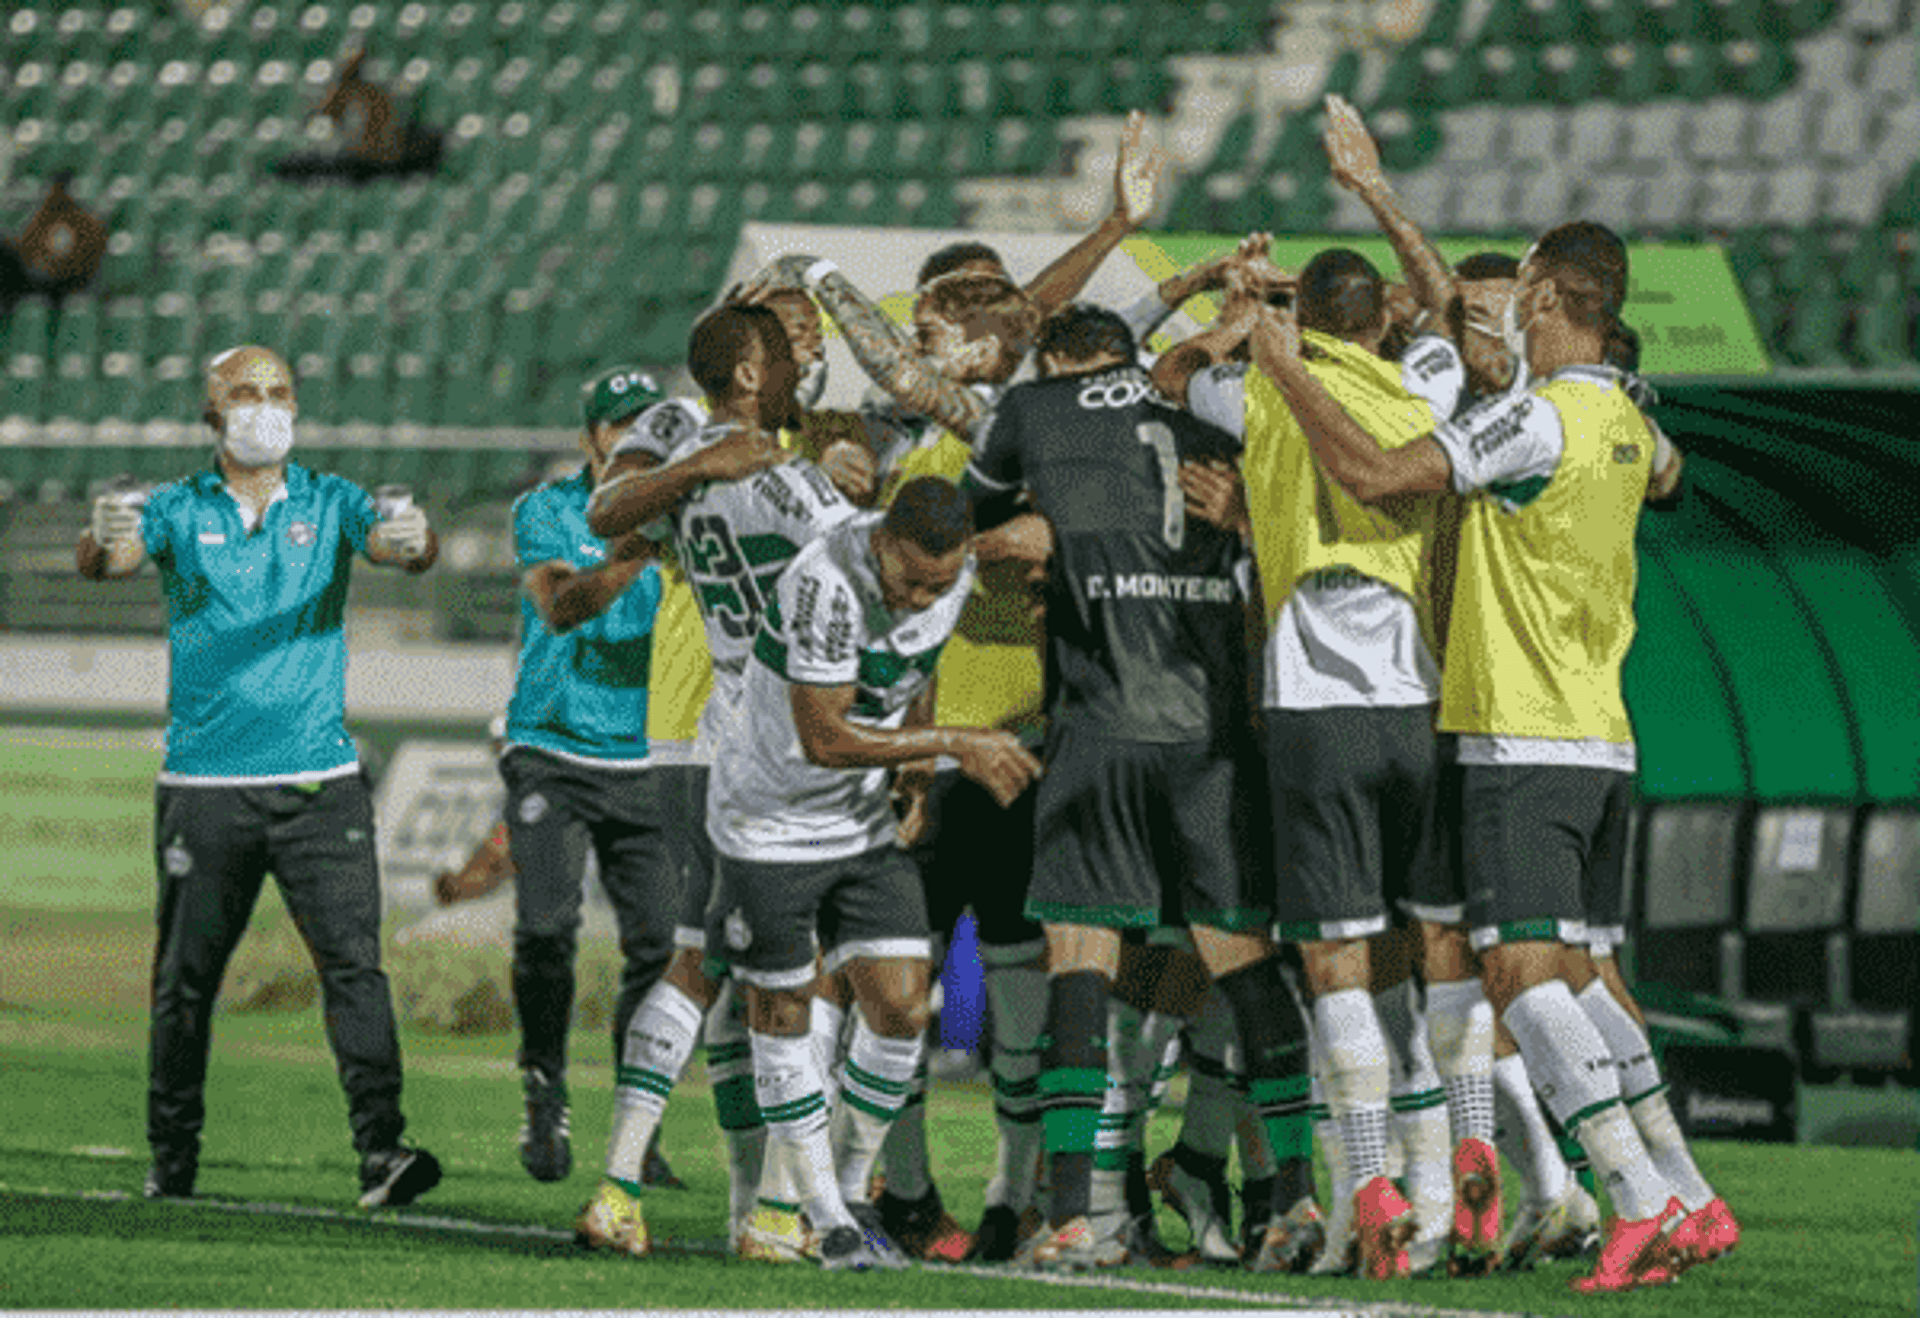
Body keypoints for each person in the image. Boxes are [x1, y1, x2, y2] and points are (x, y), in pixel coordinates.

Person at [1255, 220, 1731, 1294]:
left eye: (1520, 290)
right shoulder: (1625, 416)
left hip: (1520, 732)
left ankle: (1636, 1202)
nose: (1507, 306)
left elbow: (1377, 474)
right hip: (1601, 736)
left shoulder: (1538, 420)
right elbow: (1668, 474)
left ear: (1553, 300)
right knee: (1575, 978)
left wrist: (1287, 373)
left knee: (1518, 978)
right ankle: (1692, 1195)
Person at [961, 304, 1313, 1273]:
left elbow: (983, 512)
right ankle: (1296, 1200)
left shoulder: (1038, 407)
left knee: (1080, 958)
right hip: (1210, 729)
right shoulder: (1224, 419)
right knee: (1243, 965)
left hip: (1102, 723)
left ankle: (1075, 1214)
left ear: (1065, 359)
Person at [75, 345, 441, 1208]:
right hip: (205, 787)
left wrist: (416, 544)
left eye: (279, 392)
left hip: (322, 781)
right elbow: (111, 564)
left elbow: (396, 549)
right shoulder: (173, 507)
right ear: (211, 413)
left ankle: (381, 1153)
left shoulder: (331, 499)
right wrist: (100, 538)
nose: (264, 405)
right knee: (185, 984)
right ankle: (173, 1158)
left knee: (355, 968)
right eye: (245, 392)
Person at [712, 473, 1041, 1271]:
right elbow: (825, 736)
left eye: (939, 581)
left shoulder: (951, 575)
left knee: (900, 1008)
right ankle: (822, 1220)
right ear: (881, 544)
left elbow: (918, 669)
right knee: (786, 1010)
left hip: (861, 824)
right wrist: (954, 746)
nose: (920, 597)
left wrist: (917, 781)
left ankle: (852, 1194)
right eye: (909, 580)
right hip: (772, 822)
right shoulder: (826, 585)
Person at [498, 364, 699, 1199]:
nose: (631, 439)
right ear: (591, 437)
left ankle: (636, 1128)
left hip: (648, 755)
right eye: (616, 425)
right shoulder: (546, 509)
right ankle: (544, 1088)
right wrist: (632, 556)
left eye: (645, 425)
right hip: (552, 745)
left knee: (659, 948)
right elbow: (560, 608)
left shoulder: (691, 514)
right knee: (546, 927)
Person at [1, 170, 106, 310]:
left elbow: (73, 263)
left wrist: (41, 265)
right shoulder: (46, 214)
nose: (47, 193)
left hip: (63, 284)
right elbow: (28, 249)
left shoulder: (79, 219)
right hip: (41, 275)